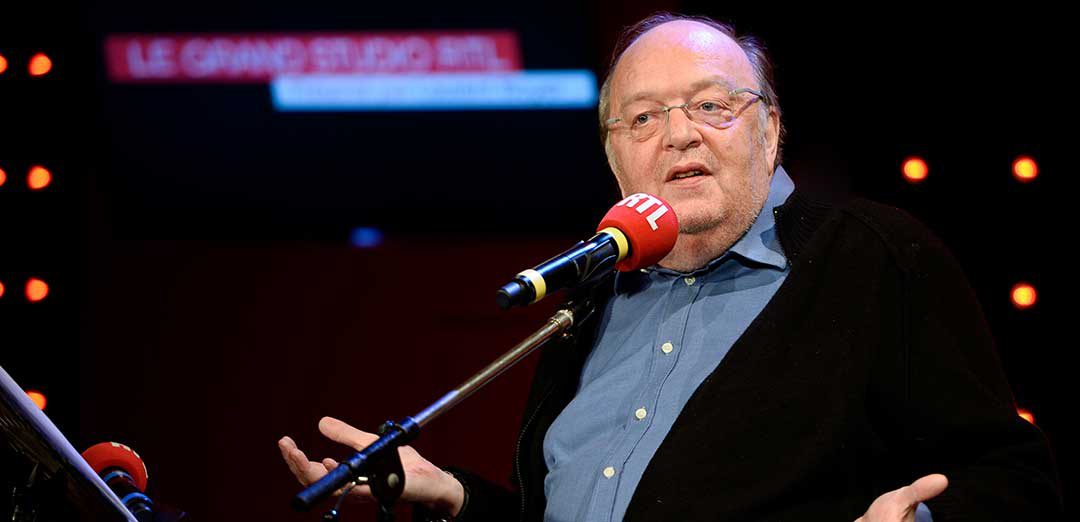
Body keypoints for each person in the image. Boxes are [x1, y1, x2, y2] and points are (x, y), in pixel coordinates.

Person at [280, 13, 1062, 521]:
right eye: (645, 118)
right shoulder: (594, 292)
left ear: (771, 129)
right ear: (616, 157)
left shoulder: (875, 255)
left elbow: (1015, 477)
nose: (680, 135)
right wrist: (451, 496)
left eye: (713, 106)